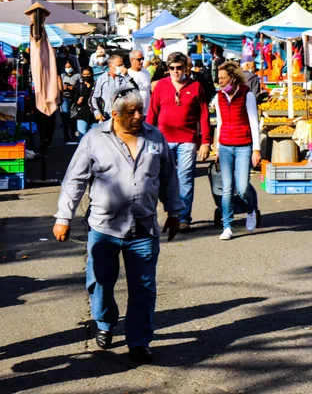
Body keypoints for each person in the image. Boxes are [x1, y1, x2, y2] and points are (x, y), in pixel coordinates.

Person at [53, 88, 183, 364]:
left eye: (141, 111)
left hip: (144, 228)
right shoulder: (94, 139)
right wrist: (63, 217)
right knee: (100, 282)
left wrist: (175, 211)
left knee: (144, 288)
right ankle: (105, 321)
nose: (138, 117)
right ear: (114, 114)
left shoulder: (154, 137)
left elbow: (169, 176)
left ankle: (139, 341)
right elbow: (74, 180)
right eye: (131, 112)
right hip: (104, 228)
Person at [145, 52, 211, 232]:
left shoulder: (196, 86)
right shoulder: (160, 86)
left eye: (179, 68)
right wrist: (146, 137)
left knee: (185, 179)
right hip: (162, 139)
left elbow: (204, 116)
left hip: (187, 141)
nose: (175, 71)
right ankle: (167, 212)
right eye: (172, 68)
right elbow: (152, 113)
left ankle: (183, 218)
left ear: (185, 68)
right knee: (160, 178)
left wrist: (205, 141)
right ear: (168, 69)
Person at [213, 61, 261, 240]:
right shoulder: (218, 97)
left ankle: (250, 211)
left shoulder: (246, 95)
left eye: (223, 78)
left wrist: (256, 149)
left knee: (242, 188)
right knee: (227, 188)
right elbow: (220, 122)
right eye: (218, 79)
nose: (220, 82)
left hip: (243, 146)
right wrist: (217, 148)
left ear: (232, 78)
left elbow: (254, 122)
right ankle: (227, 226)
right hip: (225, 145)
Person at [91, 54, 139, 123]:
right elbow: (93, 98)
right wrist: (97, 112)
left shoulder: (124, 79)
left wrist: (127, 76)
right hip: (107, 117)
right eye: (118, 65)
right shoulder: (101, 79)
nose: (121, 67)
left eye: (122, 65)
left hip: (122, 118)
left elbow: (135, 91)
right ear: (110, 66)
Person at [58, 58, 82, 143]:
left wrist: (74, 87)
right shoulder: (62, 75)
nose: (68, 68)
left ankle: (73, 134)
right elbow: (59, 86)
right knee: (65, 117)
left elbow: (80, 86)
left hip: (74, 98)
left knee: (73, 117)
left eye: (69, 66)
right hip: (64, 98)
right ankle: (66, 136)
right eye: (66, 67)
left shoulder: (78, 76)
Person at [128, 50, 152, 117]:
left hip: (147, 112)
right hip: (135, 114)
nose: (142, 61)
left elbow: (149, 90)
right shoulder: (127, 74)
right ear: (131, 60)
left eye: (142, 59)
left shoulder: (146, 72)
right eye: (139, 59)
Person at [73, 67, 95, 140]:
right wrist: (78, 101)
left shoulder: (96, 85)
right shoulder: (80, 86)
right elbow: (75, 99)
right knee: (82, 136)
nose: (86, 76)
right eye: (84, 74)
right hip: (82, 113)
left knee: (95, 137)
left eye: (88, 74)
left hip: (94, 114)